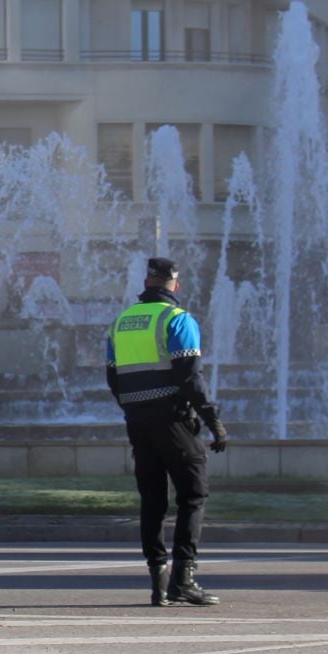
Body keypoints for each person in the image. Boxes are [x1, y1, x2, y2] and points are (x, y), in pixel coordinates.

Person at [106, 256, 229, 608]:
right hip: (174, 420)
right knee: (194, 494)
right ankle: (184, 580)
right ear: (174, 283)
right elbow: (189, 376)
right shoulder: (177, 319)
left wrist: (135, 408)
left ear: (147, 283)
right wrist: (213, 421)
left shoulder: (121, 323)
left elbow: (113, 379)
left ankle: (158, 581)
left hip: (138, 422)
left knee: (153, 500)